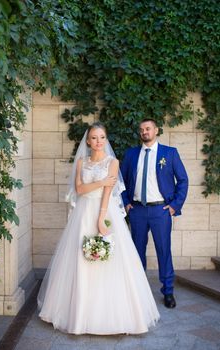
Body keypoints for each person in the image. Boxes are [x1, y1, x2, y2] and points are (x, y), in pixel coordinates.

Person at [37, 122, 159, 335]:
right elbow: (79, 189)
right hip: (83, 213)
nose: (98, 141)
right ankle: (79, 315)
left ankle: (114, 315)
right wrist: (101, 181)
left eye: (102, 137)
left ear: (106, 138)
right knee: (79, 259)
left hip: (104, 211)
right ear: (88, 141)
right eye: (94, 137)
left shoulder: (113, 162)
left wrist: (101, 219)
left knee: (111, 259)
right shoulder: (81, 162)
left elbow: (107, 192)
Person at [120, 118, 188, 309]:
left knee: (163, 250)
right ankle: (138, 291)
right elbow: (121, 181)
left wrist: (174, 205)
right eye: (141, 129)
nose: (144, 132)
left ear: (156, 130)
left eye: (148, 129)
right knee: (137, 252)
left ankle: (168, 291)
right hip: (137, 210)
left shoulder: (170, 153)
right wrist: (125, 203)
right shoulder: (132, 154)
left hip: (160, 210)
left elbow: (183, 180)